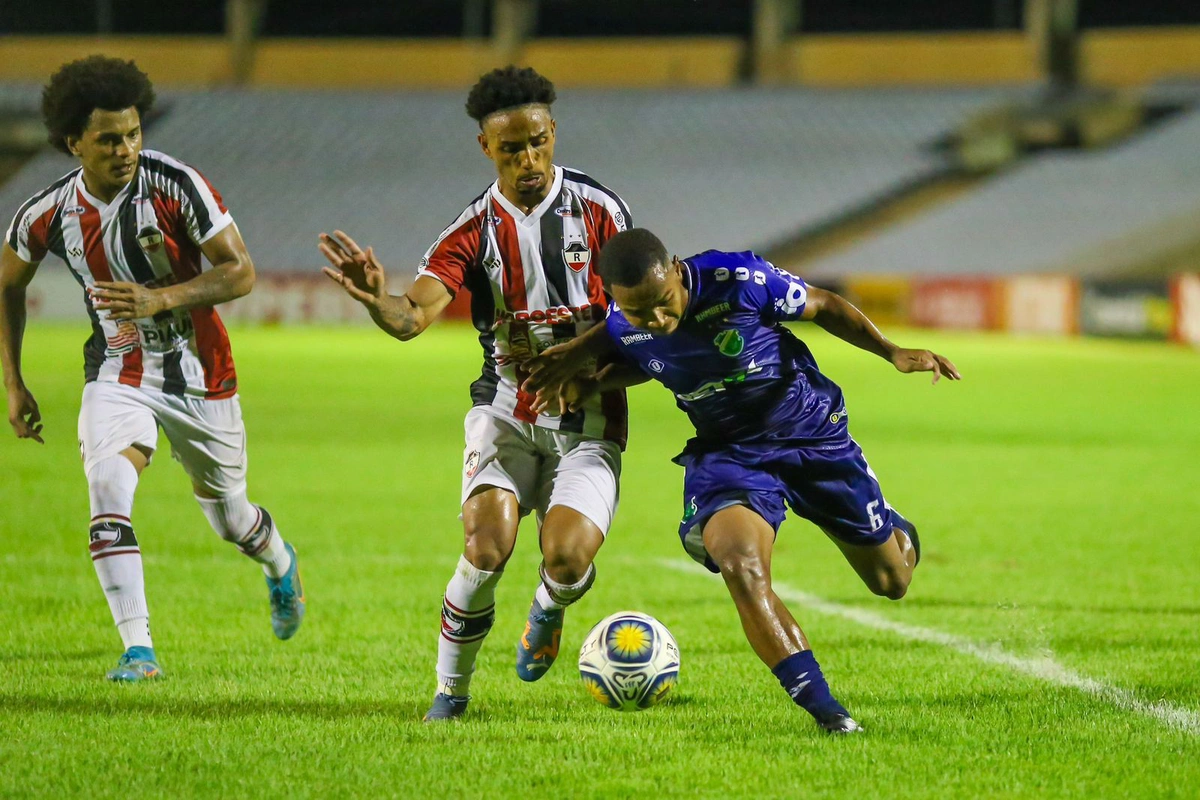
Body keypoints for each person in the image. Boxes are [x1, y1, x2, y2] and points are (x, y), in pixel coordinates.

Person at [524, 228, 961, 733]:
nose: (658, 320)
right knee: (740, 564)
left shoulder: (736, 279)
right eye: (641, 314)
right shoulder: (626, 326)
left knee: (893, 581)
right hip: (731, 456)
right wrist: (590, 382)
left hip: (812, 436)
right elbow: (654, 358)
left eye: (665, 303)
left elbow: (821, 304)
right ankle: (829, 713)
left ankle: (891, 525)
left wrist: (891, 351)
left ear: (674, 267)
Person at [319, 66, 633, 721]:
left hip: (589, 420)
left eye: (540, 142)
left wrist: (592, 365)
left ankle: (549, 608)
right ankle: (450, 695)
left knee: (568, 558)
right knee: (485, 549)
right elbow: (412, 318)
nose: (530, 160)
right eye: (513, 148)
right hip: (507, 414)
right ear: (486, 148)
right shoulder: (471, 232)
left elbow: (640, 319)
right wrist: (378, 297)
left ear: (554, 133)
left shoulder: (601, 212)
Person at [0, 56, 305, 682]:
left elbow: (240, 271)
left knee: (231, 518)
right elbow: (6, 285)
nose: (126, 148)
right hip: (118, 371)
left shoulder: (176, 184)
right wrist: (13, 380)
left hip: (201, 373)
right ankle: (138, 651)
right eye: (109, 138)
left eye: (134, 133)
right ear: (72, 143)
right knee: (108, 490)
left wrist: (159, 298)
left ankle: (278, 561)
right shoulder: (46, 213)